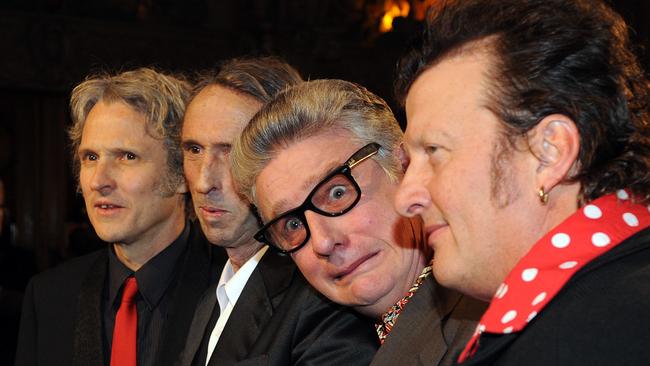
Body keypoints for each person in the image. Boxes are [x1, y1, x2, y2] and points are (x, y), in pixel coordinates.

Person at [393, 0, 650, 364]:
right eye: (409, 163)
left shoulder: (585, 340)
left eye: (434, 150)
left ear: (549, 152)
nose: (405, 198)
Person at [230, 78, 486, 366]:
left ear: (403, 167)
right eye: (292, 224)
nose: (323, 242)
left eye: (336, 193)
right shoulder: (327, 339)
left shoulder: (482, 329)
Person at [15, 68, 226, 366]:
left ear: (182, 175)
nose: (99, 180)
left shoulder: (233, 290)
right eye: (91, 157)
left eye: (127, 156)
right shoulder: (49, 296)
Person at [177, 57, 379, 366]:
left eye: (231, 151)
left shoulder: (327, 300)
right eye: (193, 150)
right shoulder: (213, 293)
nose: (204, 181)